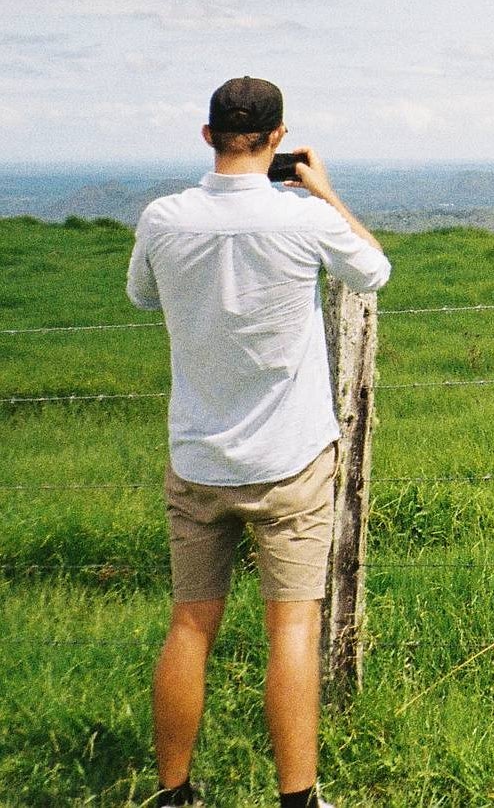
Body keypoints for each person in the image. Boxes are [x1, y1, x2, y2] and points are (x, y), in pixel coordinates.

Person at [127, 76, 391, 808]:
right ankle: (298, 800)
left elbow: (142, 295)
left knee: (189, 623)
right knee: (292, 628)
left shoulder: (163, 217)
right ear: (278, 140)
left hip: (199, 457)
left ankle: (174, 794)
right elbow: (374, 270)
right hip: (290, 459)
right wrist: (325, 190)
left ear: (207, 136)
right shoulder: (302, 219)